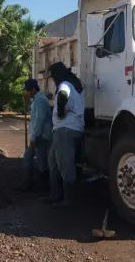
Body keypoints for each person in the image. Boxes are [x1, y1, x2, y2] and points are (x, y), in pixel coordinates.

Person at [41, 62, 85, 208]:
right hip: (68, 129)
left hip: (65, 130)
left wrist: (60, 111)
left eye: (53, 77)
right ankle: (55, 194)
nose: (53, 79)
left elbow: (63, 95)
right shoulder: (75, 85)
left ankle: (68, 200)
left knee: (65, 165)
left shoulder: (65, 84)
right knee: (52, 161)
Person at [20, 79, 52, 193]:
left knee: (41, 162)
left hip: (41, 136)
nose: (26, 93)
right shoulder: (37, 99)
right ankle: (29, 184)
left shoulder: (40, 100)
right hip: (38, 135)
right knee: (29, 158)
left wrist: (34, 138)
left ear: (33, 90)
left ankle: (42, 188)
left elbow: (40, 120)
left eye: (27, 91)